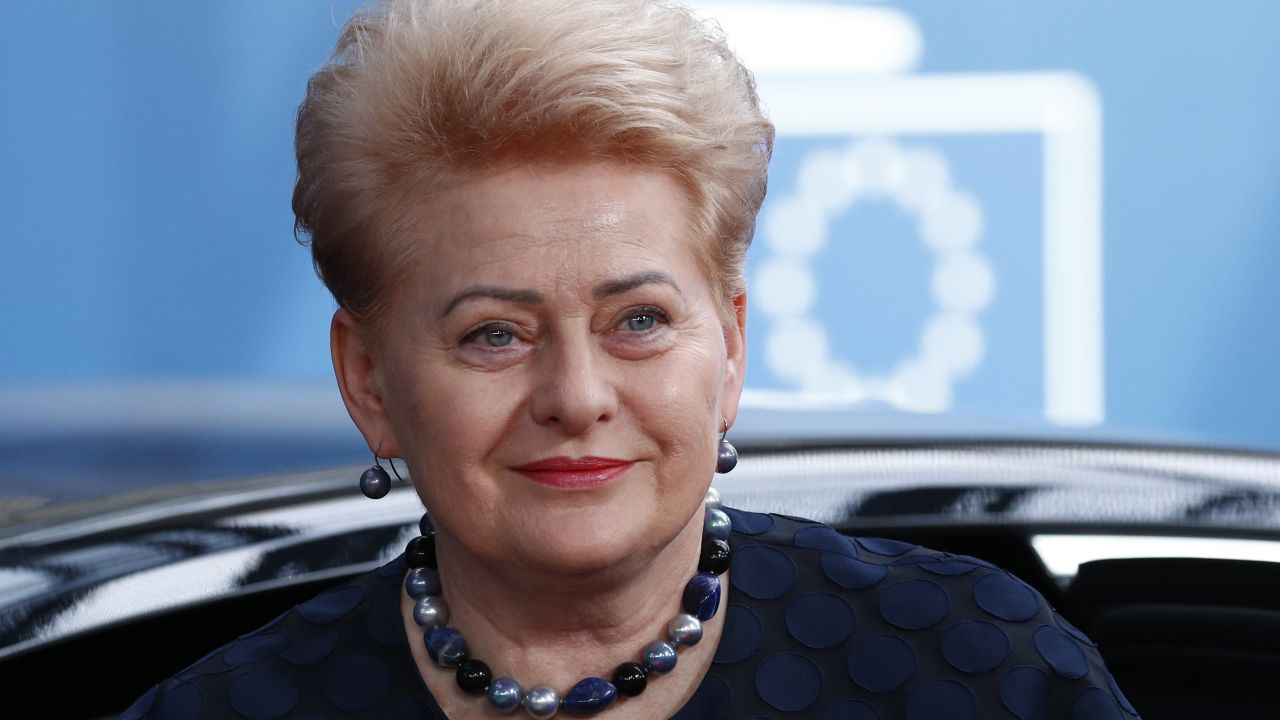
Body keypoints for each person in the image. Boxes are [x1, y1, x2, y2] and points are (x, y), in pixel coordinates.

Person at [121, 0, 1139, 718]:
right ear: (370, 383)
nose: (575, 396)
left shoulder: (975, 674)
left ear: (730, 345)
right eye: (494, 335)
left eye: (639, 320)